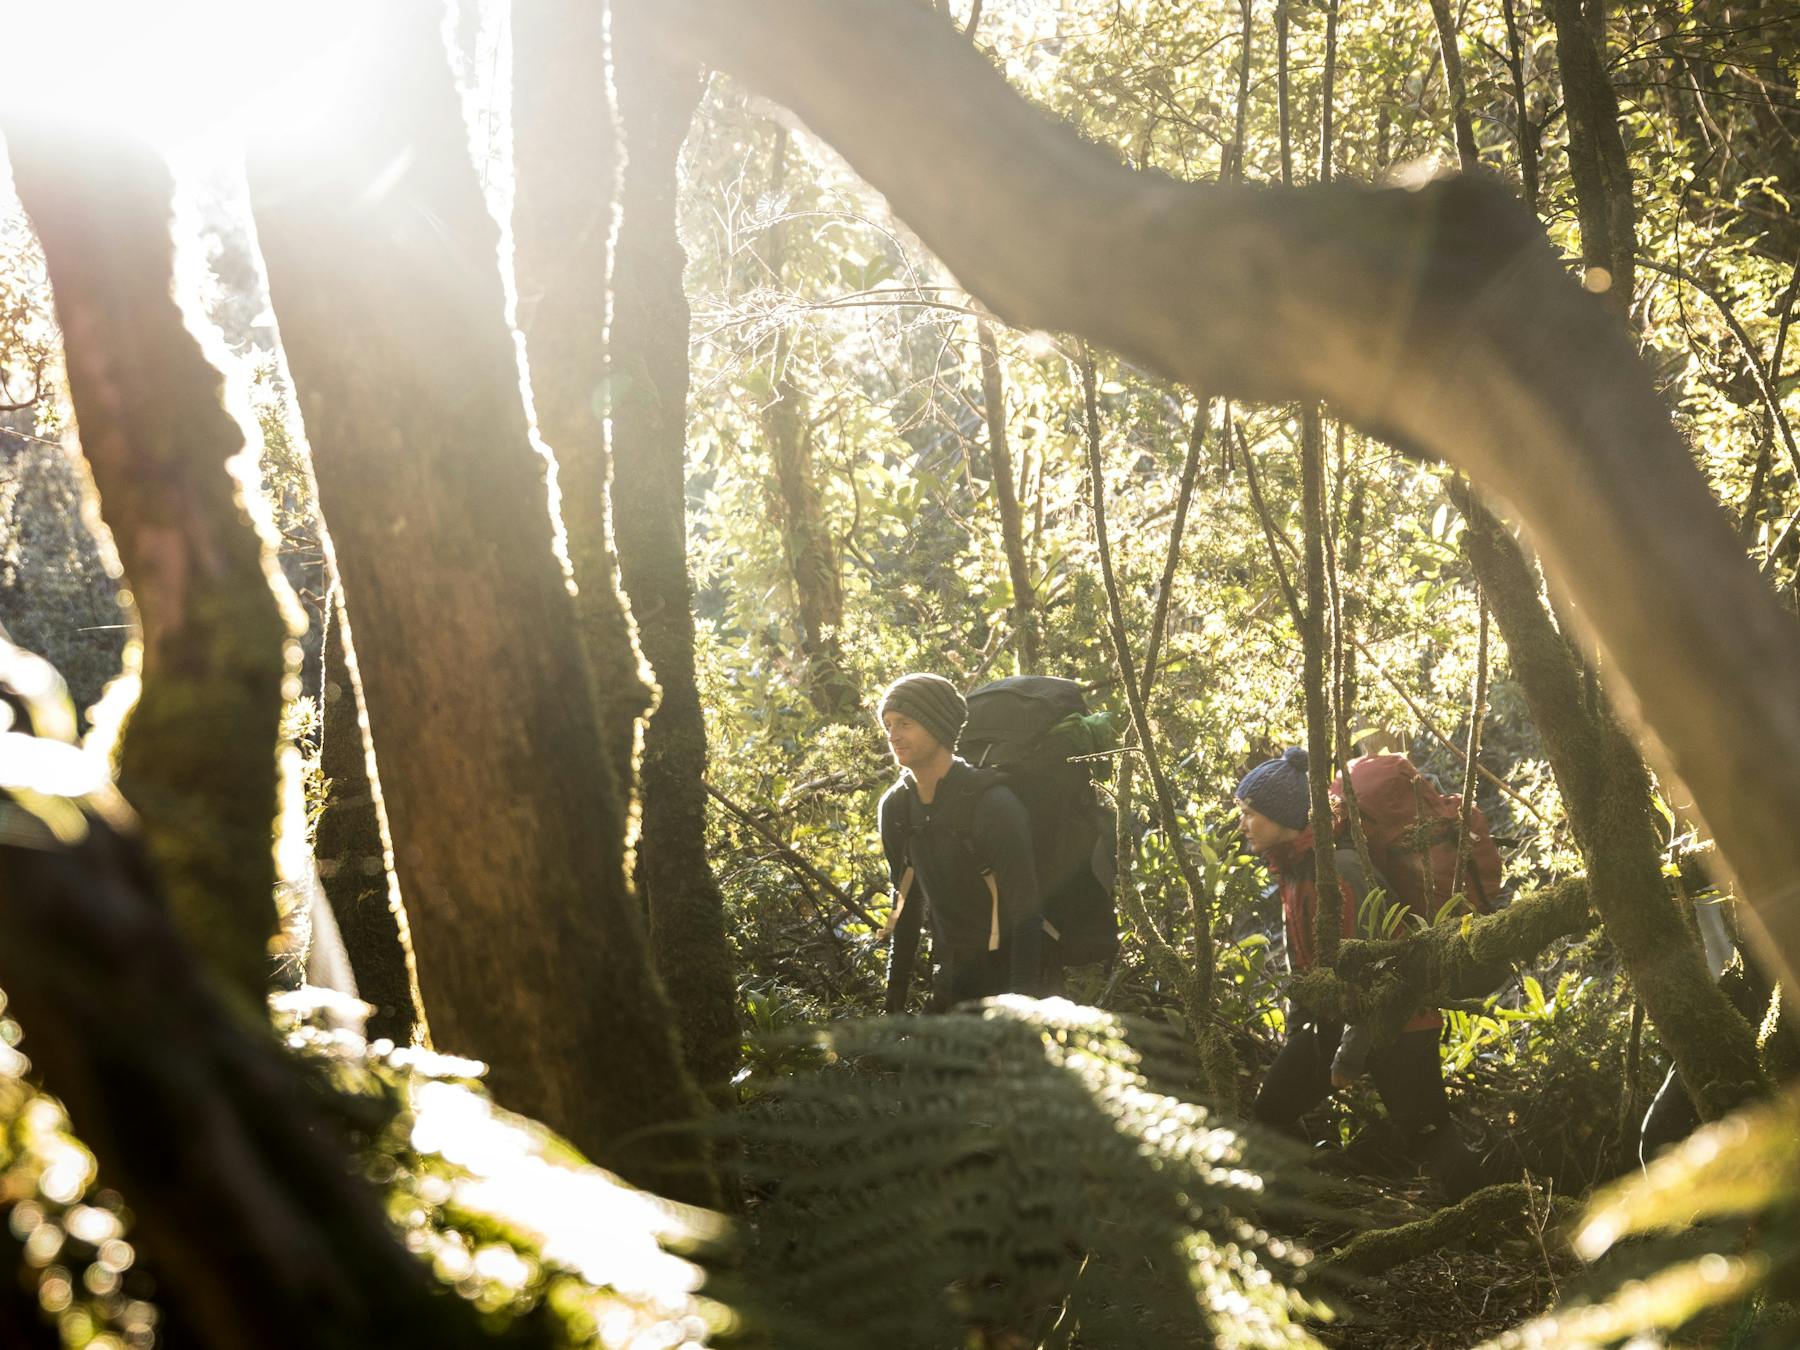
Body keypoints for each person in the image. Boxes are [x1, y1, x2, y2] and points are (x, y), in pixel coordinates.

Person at [1236, 746, 1479, 1199]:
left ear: (1282, 814)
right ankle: (1293, 1217)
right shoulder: (1294, 869)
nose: (1242, 823)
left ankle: (1494, 1216)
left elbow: (1377, 971)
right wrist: (1300, 1032)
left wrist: (1349, 1057)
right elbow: (1306, 968)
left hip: (1397, 1020)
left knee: (1430, 1136)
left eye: (1250, 813)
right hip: (1339, 1020)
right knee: (1272, 1109)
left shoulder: (1339, 870)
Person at [877, 673, 1045, 1012]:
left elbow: (1026, 914)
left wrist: (1020, 1013)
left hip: (1011, 981)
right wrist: (893, 1000)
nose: (893, 736)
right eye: (888, 726)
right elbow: (905, 903)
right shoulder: (896, 807)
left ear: (937, 727)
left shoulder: (993, 805)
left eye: (905, 724)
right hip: (951, 981)